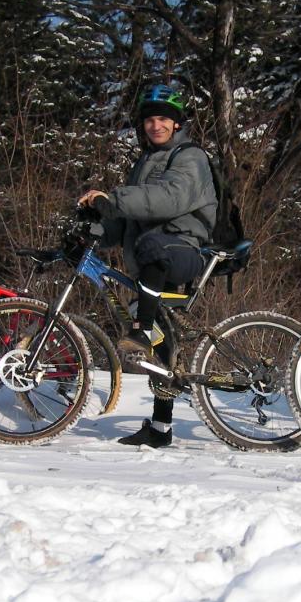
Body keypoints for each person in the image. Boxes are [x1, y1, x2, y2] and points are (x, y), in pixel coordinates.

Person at [77, 84, 217, 448]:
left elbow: (168, 199)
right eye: (150, 119)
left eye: (163, 119)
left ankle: (141, 327)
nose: (156, 125)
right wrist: (95, 225)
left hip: (183, 250)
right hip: (152, 258)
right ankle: (160, 428)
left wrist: (115, 197)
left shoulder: (190, 157)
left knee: (147, 323)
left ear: (176, 123)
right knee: (161, 348)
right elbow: (127, 220)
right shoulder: (144, 163)